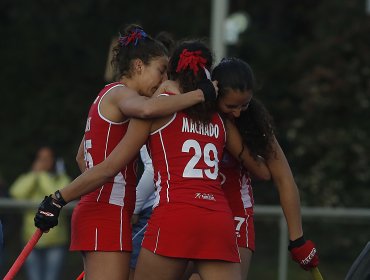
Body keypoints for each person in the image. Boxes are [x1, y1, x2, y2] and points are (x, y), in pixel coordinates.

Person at [34, 40, 271, 280]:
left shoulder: (154, 112)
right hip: (217, 218)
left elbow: (108, 166)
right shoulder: (220, 119)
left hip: (173, 216)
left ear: (172, 74)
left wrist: (59, 198)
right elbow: (262, 170)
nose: (160, 79)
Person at [212, 57, 319, 279]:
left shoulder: (253, 122)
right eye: (231, 106)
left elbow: (283, 178)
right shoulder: (198, 117)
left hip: (236, 215)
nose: (239, 112)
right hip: (198, 212)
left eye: (245, 104)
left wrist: (297, 238)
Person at [9, 146, 70, 280]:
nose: (43, 162)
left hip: (55, 241)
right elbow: (16, 193)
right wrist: (34, 175)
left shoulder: (61, 178)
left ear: (53, 160)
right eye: (40, 159)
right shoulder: (30, 177)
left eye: (47, 159)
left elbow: (56, 195)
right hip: (31, 239)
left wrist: (41, 175)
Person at [129, 146, 156, 280]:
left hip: (154, 207)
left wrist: (134, 207)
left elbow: (153, 168)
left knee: (128, 265)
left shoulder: (148, 124)